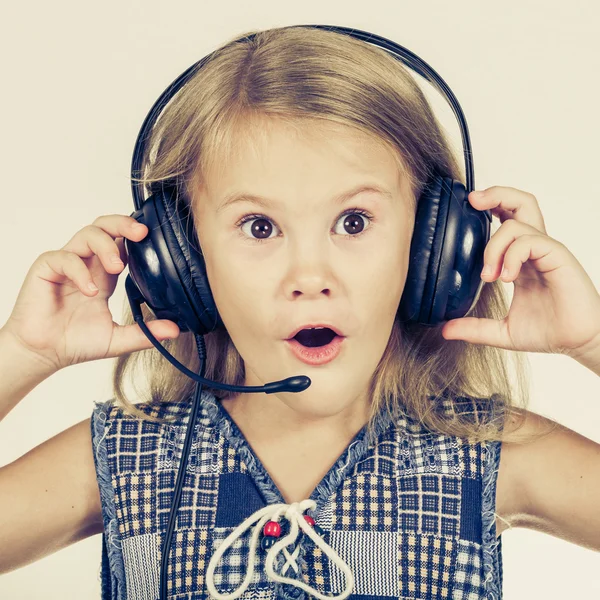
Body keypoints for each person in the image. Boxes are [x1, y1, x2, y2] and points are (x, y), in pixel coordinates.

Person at [1, 25, 600, 600]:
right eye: (260, 227)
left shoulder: (491, 453)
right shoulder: (127, 458)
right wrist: (22, 354)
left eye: (354, 222)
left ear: (434, 248)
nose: (310, 278)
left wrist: (591, 340)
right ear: (179, 258)